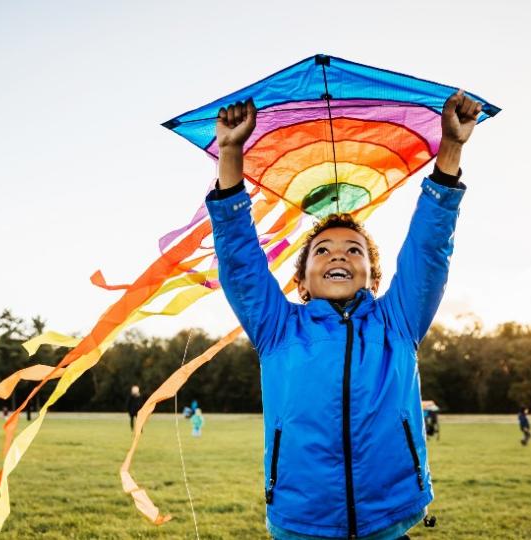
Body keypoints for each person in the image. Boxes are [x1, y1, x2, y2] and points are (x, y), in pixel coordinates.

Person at [207, 90, 481, 539]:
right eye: (323, 250)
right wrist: (231, 153)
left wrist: (451, 148)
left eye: (354, 250)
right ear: (302, 279)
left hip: (390, 518)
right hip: (302, 522)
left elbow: (428, 249)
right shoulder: (278, 329)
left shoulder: (399, 323)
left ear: (373, 278)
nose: (340, 256)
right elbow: (239, 258)